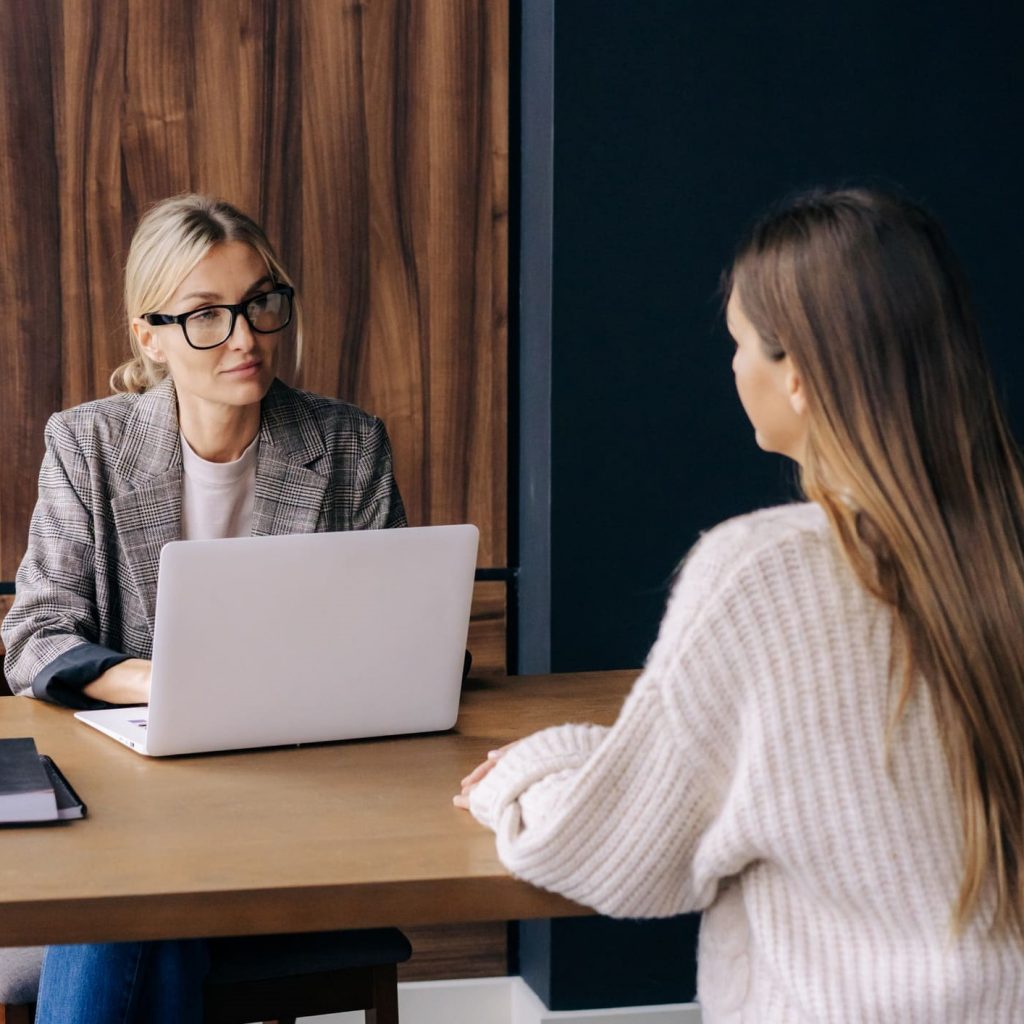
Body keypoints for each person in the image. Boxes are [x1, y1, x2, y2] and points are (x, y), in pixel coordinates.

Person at [455, 188, 1024, 1021]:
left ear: (798, 377)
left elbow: (619, 848)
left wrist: (526, 774)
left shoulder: (762, 576)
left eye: (740, 345)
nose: (731, 368)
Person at [1, 193, 406, 1023]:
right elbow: (35, 638)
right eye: (205, 316)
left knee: (131, 892)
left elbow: (402, 639)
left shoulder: (347, 444)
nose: (246, 338)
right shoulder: (89, 447)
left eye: (261, 303)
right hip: (131, 798)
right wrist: (163, 682)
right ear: (147, 336)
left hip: (301, 804)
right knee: (150, 888)